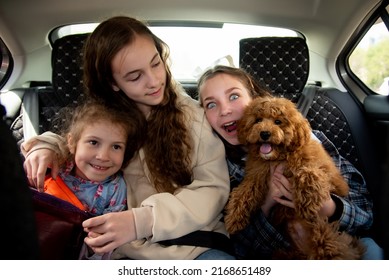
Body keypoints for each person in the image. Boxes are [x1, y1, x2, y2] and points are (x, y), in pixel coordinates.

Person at [21, 16, 234, 260]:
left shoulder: (194, 118)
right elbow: (78, 142)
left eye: (156, 63)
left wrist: (140, 221)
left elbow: (212, 189)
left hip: (195, 246)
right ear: (113, 83)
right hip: (124, 252)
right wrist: (47, 147)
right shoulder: (108, 118)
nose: (154, 81)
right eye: (135, 77)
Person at [197, 65, 383, 259]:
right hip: (276, 254)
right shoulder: (216, 165)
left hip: (335, 237)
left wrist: (327, 206)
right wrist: (267, 201)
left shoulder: (310, 140)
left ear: (253, 98)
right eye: (211, 104)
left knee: (372, 251)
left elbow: (366, 215)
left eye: (234, 96)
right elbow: (239, 245)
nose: (225, 110)